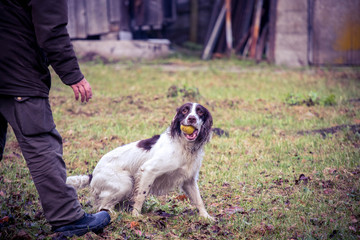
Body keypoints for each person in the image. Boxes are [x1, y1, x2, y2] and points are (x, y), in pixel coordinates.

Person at [0, 0, 111, 237]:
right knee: (41, 143)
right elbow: (51, 29)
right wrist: (73, 75)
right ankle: (67, 217)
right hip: (17, 72)